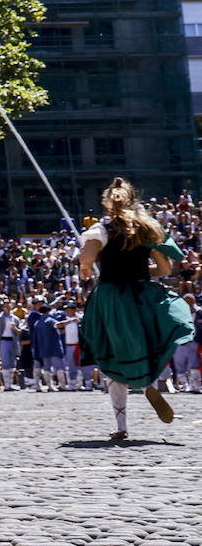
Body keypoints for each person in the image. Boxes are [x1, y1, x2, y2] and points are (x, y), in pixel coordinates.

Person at [79, 177, 193, 442]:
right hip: (141, 294)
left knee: (111, 354)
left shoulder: (102, 228)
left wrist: (86, 267)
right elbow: (166, 269)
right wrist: (141, 270)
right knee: (144, 346)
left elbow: (87, 257)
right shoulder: (146, 228)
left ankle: (121, 426)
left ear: (107, 203)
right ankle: (150, 384)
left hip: (111, 297)